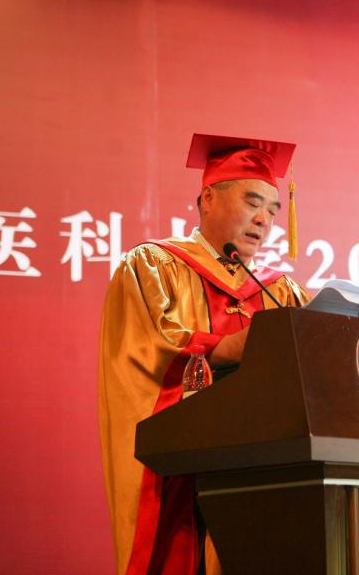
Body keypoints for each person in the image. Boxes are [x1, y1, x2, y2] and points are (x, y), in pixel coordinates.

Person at [98, 133, 310, 575]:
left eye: (273, 210)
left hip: (268, 473)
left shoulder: (282, 290)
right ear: (209, 198)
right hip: (188, 478)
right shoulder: (153, 266)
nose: (264, 220)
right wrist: (224, 348)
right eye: (253, 202)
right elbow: (141, 357)